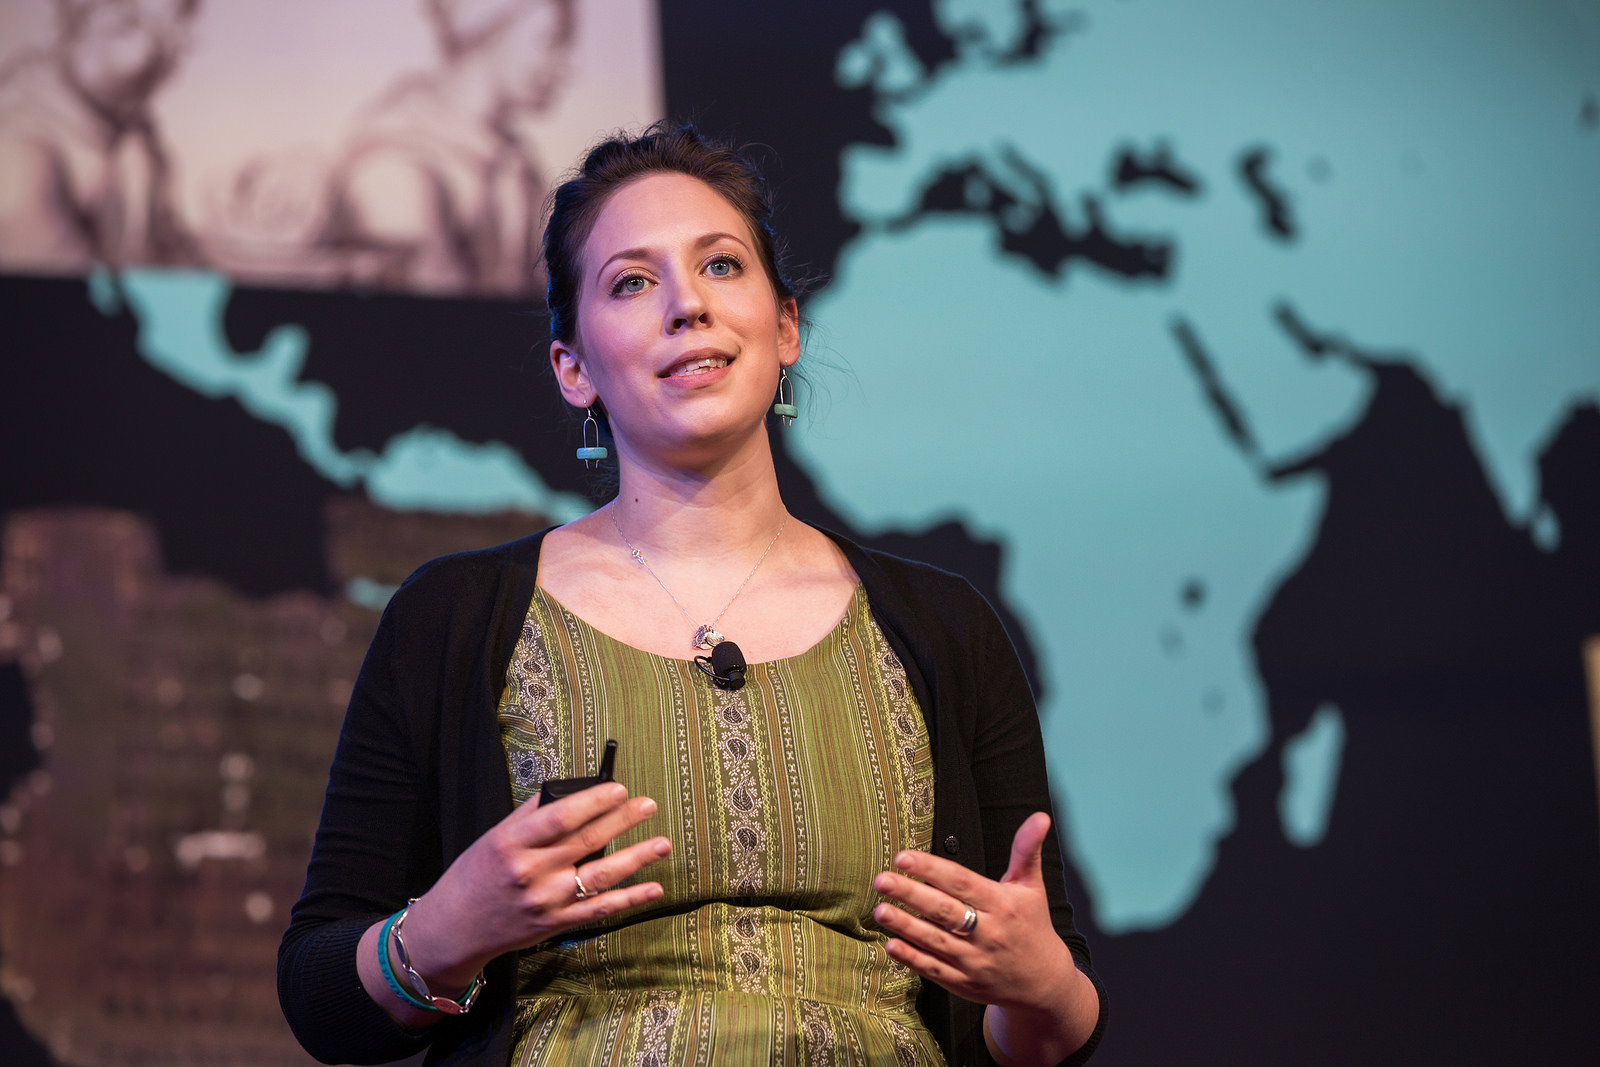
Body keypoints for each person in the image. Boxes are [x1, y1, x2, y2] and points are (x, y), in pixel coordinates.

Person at [279, 122, 1107, 1066]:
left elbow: (1049, 1025)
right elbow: (319, 995)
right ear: (574, 367)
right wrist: (444, 927)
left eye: (721, 266)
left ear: (785, 325)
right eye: (632, 282)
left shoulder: (943, 629)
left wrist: (1041, 985)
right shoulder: (457, 617)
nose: (687, 306)